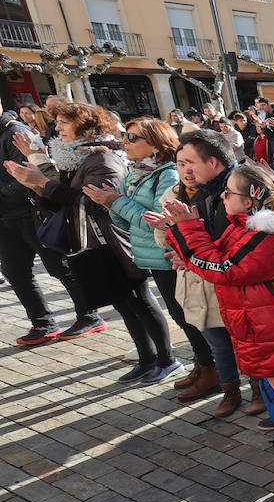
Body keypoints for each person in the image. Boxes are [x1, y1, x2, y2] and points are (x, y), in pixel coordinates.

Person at [155, 162, 274, 485]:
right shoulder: (244, 228)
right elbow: (217, 259)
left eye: (229, 192)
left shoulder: (266, 236)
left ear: (250, 199)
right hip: (272, 328)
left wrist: (188, 229)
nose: (223, 197)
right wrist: (181, 239)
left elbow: (225, 268)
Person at [5, 102, 183, 382]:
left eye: (65, 121)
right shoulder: (77, 158)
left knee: (141, 301)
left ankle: (167, 359)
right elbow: (63, 199)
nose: (58, 127)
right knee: (123, 303)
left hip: (115, 242)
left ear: (86, 126)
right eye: (58, 122)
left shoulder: (102, 159)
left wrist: (43, 183)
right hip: (95, 241)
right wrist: (38, 183)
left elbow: (99, 203)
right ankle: (147, 358)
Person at [83, 118, 200, 386]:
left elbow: (158, 224)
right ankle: (200, 365)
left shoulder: (168, 174)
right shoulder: (137, 174)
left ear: (156, 145)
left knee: (188, 316)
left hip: (169, 257)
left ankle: (207, 366)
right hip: (151, 257)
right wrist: (113, 204)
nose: (126, 142)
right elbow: (127, 223)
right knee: (180, 315)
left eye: (133, 138)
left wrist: (118, 202)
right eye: (126, 136)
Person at [0, 107, 98, 344]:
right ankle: (42, 322)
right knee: (15, 273)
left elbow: (28, 177)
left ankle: (90, 315)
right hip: (5, 219)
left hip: (31, 214)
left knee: (59, 267)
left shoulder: (15, 131)